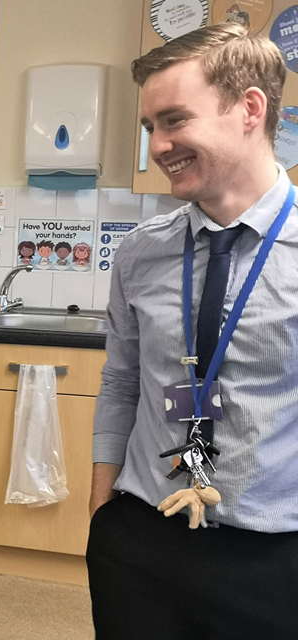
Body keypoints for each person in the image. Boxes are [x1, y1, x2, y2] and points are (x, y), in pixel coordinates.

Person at [88, 22, 298, 638]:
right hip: (142, 535)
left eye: (174, 120)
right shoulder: (140, 252)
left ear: (250, 109)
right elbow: (121, 382)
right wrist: (102, 514)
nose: (158, 145)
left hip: (270, 552)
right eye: (150, 126)